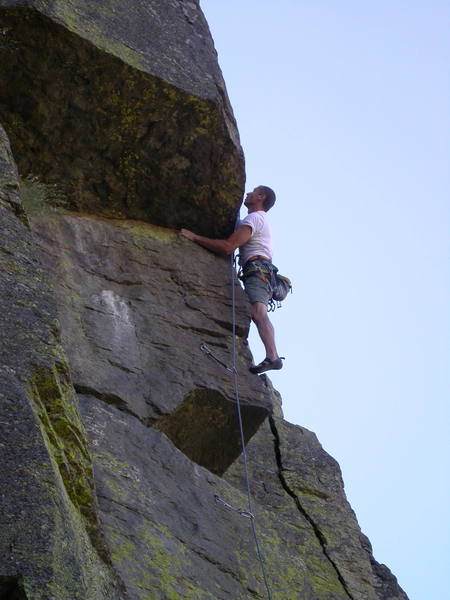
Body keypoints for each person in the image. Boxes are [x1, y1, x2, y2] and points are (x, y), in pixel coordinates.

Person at [180, 185, 283, 374]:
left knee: (258, 313)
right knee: (257, 312)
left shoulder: (254, 218)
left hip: (257, 271)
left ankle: (273, 357)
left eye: (253, 191)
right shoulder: (257, 219)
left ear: (261, 197)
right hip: (262, 272)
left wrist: (195, 237)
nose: (248, 193)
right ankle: (272, 356)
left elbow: (229, 247)